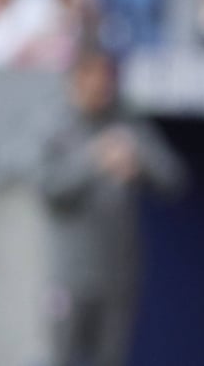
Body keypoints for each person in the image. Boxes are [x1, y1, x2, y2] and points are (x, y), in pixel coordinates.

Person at [38, 49, 188, 366]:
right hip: (71, 276)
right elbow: (49, 189)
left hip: (118, 275)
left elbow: (174, 179)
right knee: (61, 357)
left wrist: (139, 163)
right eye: (92, 77)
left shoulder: (126, 124)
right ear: (76, 79)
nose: (100, 86)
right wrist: (94, 158)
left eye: (106, 78)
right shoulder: (56, 125)